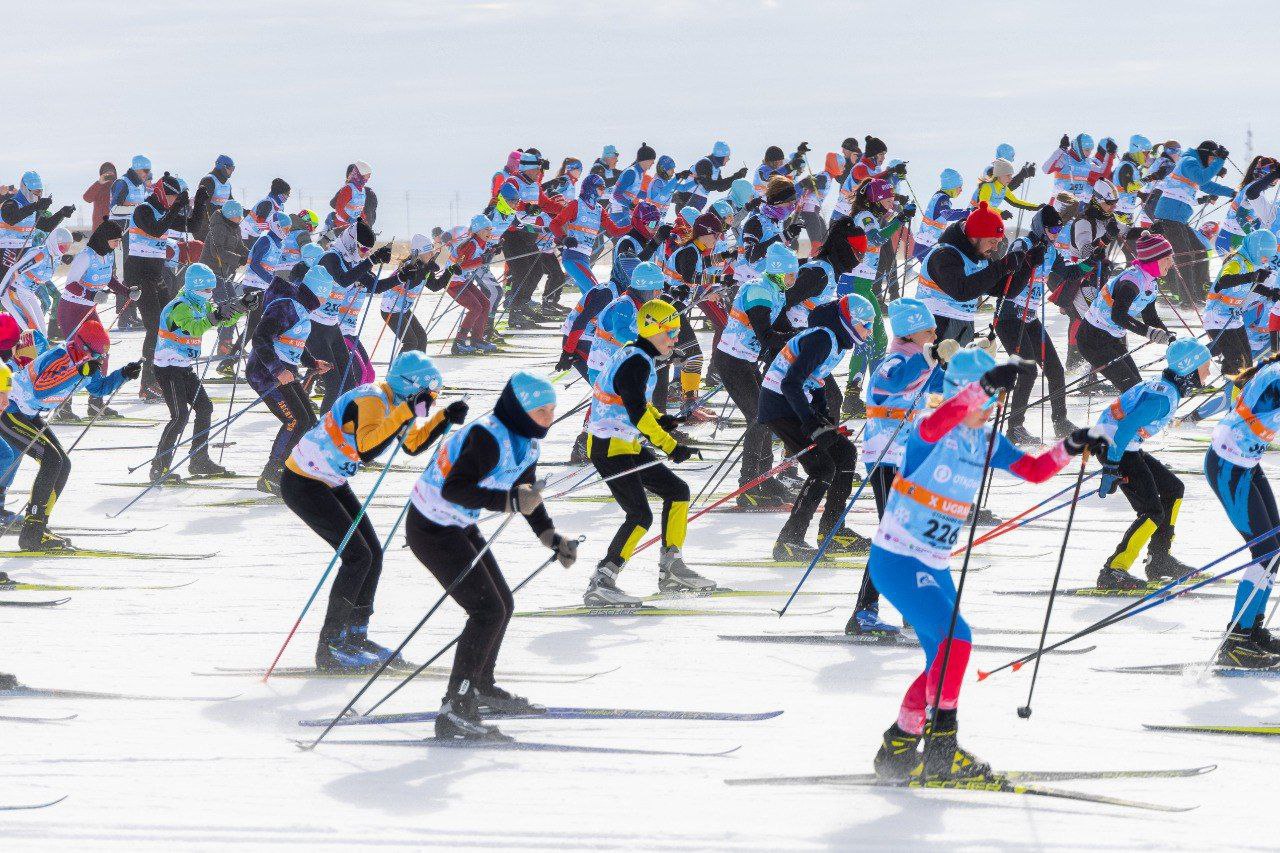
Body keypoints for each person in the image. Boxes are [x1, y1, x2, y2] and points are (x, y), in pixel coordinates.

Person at [868, 347, 1093, 782]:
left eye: (993, 403)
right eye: (985, 400)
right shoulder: (929, 430)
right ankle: (941, 748)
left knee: (943, 654)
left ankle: (898, 744)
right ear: (965, 393)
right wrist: (984, 385)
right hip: (896, 558)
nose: (989, 410)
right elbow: (939, 422)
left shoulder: (985, 439)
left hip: (932, 563)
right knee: (958, 638)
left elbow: (1034, 470)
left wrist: (1071, 446)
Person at [407, 372, 578, 739]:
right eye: (540, 410)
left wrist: (551, 538)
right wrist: (509, 502)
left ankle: (480, 686)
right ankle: (454, 706)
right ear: (518, 408)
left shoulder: (528, 442)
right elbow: (456, 489)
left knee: (502, 604)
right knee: (487, 610)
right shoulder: (486, 435)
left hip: (459, 525)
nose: (548, 418)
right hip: (431, 527)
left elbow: (526, 495)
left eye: (551, 410)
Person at [284, 351, 465, 669]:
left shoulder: (398, 404)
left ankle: (356, 635)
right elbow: (368, 449)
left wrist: (443, 419)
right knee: (358, 557)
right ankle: (329, 647)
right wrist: (407, 413)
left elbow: (412, 445)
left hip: (330, 480)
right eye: (428, 394)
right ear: (409, 385)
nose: (430, 400)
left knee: (373, 554)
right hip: (304, 482)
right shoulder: (371, 399)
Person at [581, 299, 711, 605]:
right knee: (639, 515)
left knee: (677, 492)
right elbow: (637, 413)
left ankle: (672, 567)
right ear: (653, 330)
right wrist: (670, 445)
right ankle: (603, 580)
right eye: (672, 332)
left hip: (623, 442)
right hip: (609, 446)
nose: (676, 339)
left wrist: (662, 419)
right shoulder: (636, 361)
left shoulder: (637, 354)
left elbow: (637, 403)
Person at [1, 319, 140, 550]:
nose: (98, 361)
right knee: (51, 460)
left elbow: (98, 388)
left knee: (62, 463)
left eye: (101, 357)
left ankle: (39, 527)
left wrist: (123, 374)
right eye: (97, 355)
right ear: (83, 347)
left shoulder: (85, 364)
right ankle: (31, 533)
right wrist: (78, 372)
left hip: (29, 412)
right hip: (9, 408)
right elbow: (42, 387)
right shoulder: (59, 355)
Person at [759, 293, 877, 561]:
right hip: (778, 405)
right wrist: (813, 425)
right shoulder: (823, 338)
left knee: (844, 453)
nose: (869, 332)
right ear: (849, 320)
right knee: (822, 467)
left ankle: (833, 532)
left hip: (794, 403)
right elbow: (791, 383)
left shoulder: (835, 340)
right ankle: (789, 541)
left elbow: (817, 381)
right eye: (865, 324)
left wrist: (824, 421)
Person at [1089, 338, 1210, 590]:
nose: (1208, 372)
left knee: (1173, 489)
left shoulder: (1167, 389)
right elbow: (1125, 427)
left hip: (1123, 447)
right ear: (1189, 368)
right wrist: (1111, 468)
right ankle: (1113, 571)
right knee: (1152, 511)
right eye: (1205, 366)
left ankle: (1160, 560)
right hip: (1115, 446)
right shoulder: (1162, 398)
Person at [1204, 354, 1280, 667]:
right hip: (1229, 465)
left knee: (1274, 549)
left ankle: (1253, 631)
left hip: (1244, 463)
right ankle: (1236, 642)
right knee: (1264, 551)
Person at [151, 264, 257, 482]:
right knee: (179, 417)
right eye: (205, 290)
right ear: (192, 287)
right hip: (167, 368)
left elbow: (222, 318)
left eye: (211, 290)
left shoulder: (201, 303)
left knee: (204, 407)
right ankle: (158, 467)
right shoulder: (178, 306)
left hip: (184, 367)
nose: (209, 294)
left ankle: (199, 460)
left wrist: (240, 308)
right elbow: (194, 327)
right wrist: (216, 315)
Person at [713, 242, 796, 509]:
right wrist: (797, 340)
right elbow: (767, 335)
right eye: (791, 274)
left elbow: (781, 329)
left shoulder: (776, 290)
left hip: (746, 360)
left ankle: (764, 476)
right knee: (758, 417)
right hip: (731, 360)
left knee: (768, 415)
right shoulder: (759, 289)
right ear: (777, 271)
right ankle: (747, 484)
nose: (794, 280)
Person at [247, 261, 334, 493]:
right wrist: (277, 370)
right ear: (318, 293)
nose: (327, 302)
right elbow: (260, 338)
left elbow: (293, 341)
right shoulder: (287, 306)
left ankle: (294, 469)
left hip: (284, 372)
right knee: (294, 420)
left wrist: (312, 363)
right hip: (265, 373)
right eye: (327, 296)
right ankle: (271, 474)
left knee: (309, 421)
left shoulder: (300, 308)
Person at [995, 204, 1077, 443]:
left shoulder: (1050, 251)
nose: (1056, 233)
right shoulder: (1023, 244)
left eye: (1059, 229)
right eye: (1052, 228)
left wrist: (1091, 262)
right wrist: (1029, 262)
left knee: (1055, 370)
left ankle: (1060, 422)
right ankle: (1015, 428)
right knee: (1028, 372)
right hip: (1009, 317)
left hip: (1029, 318)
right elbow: (1010, 268)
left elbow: (1067, 272)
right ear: (1041, 226)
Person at [839, 178, 912, 418]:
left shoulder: (871, 215)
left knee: (880, 340)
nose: (891, 201)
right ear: (875, 198)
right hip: (854, 286)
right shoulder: (864, 217)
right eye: (887, 197)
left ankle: (877, 392)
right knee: (867, 340)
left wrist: (897, 217)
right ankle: (852, 396)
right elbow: (877, 238)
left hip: (864, 285)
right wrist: (899, 219)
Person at [914, 201, 1033, 345]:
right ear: (976, 236)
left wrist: (1028, 264)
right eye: (992, 241)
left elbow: (1006, 290)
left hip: (963, 327)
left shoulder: (979, 257)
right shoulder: (943, 254)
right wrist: (1001, 266)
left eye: (998, 242)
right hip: (934, 327)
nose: (995, 248)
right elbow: (961, 291)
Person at [310, 221, 395, 412]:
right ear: (351, 241)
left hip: (332, 327)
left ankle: (337, 426)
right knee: (333, 384)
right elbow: (343, 279)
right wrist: (371, 261)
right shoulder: (330, 258)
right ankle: (323, 429)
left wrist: (403, 276)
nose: (365, 253)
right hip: (314, 326)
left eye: (369, 250)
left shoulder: (352, 262)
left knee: (348, 384)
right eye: (363, 248)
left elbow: (376, 287)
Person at [1077, 230, 1175, 392]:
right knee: (1132, 389)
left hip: (1111, 337)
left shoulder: (1150, 282)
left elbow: (1150, 318)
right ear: (1153, 260)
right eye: (1167, 258)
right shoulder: (1132, 281)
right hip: (1092, 338)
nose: (1171, 263)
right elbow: (1118, 316)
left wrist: (1170, 338)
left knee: (1136, 386)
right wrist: (1149, 333)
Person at [58, 219, 135, 419]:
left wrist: (127, 292)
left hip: (88, 310)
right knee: (77, 355)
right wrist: (92, 295)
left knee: (103, 351)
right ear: (104, 239)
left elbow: (109, 279)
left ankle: (95, 402)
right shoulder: (85, 256)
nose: (118, 244)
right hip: (71, 310)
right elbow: (70, 285)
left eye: (119, 240)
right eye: (115, 241)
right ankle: (63, 406)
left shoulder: (108, 256)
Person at [125, 172, 190, 401]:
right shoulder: (143, 209)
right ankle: (147, 383)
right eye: (172, 198)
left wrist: (199, 201)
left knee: (170, 324)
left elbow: (191, 225)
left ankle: (165, 375)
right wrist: (174, 209)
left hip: (155, 275)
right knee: (154, 327)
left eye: (176, 199)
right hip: (138, 276)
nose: (173, 202)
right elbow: (156, 229)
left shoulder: (166, 210)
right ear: (162, 193)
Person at [1152, 140, 1234, 306]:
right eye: (1211, 159)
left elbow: (1207, 185)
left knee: (1200, 251)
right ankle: (1187, 298)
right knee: (1185, 256)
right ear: (1205, 154)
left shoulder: (1194, 165)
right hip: (1169, 218)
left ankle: (1199, 293)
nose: (1211, 162)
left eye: (1214, 160)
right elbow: (1202, 178)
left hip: (1178, 219)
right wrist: (1220, 161)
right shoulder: (1189, 161)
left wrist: (1232, 193)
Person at [1205, 230, 1278, 379]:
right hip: (1217, 316)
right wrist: (1253, 276)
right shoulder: (1236, 261)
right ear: (1255, 250)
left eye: (1267, 258)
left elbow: (1251, 285)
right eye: (1263, 256)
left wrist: (1270, 293)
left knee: (1247, 361)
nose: (1264, 261)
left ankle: (1230, 384)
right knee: (1239, 362)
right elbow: (1224, 281)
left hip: (1233, 318)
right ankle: (1231, 388)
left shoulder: (1249, 263)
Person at [0, 172, 74, 279]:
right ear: (25, 189)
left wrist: (61, 214)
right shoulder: (11, 203)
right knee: (3, 282)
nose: (38, 196)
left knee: (16, 283)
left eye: (40, 192)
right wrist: (35, 207)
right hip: (7, 249)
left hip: (25, 250)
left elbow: (45, 226)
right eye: (35, 192)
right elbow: (11, 219)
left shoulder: (33, 207)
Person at [447, 215, 501, 355]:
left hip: (464, 280)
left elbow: (479, 259)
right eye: (486, 230)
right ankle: (458, 343)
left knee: (485, 304)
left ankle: (477, 339)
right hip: (453, 282)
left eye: (490, 229)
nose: (489, 232)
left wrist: (492, 252)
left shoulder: (481, 242)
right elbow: (462, 265)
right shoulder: (470, 244)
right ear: (477, 231)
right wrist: (482, 260)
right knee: (475, 307)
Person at [1216, 156, 1280, 254]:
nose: (1277, 181)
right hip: (1234, 239)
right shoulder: (1254, 190)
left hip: (1227, 236)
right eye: (1276, 178)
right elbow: (1241, 215)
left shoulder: (1250, 186)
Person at [913, 169, 968, 261]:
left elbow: (949, 211)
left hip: (924, 244)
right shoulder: (943, 198)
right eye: (959, 187)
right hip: (927, 245)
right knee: (935, 272)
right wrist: (968, 213)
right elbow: (948, 214)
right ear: (951, 186)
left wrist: (967, 211)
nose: (961, 190)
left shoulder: (939, 196)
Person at [683, 141, 747, 211]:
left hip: (698, 201)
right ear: (721, 156)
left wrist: (737, 176)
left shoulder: (716, 169)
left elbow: (720, 188)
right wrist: (735, 177)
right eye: (727, 156)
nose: (728, 159)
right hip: (688, 200)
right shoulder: (704, 163)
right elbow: (708, 186)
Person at [608, 143, 656, 229]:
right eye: (652, 160)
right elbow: (616, 194)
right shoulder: (631, 172)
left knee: (642, 231)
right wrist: (630, 204)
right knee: (633, 235)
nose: (653, 163)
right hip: (618, 212)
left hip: (625, 211)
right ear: (646, 160)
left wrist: (651, 196)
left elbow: (634, 193)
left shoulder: (639, 173)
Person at [191, 154, 235, 241]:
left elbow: (231, 204)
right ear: (222, 166)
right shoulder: (208, 180)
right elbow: (204, 205)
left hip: (216, 223)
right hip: (203, 225)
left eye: (233, 168)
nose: (232, 171)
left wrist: (244, 212)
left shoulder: (227, 184)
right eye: (230, 168)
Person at [328, 161, 372, 232]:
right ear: (361, 174)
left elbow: (360, 209)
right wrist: (348, 219)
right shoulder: (348, 189)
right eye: (368, 174)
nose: (369, 177)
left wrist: (364, 222)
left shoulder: (362, 190)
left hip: (352, 227)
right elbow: (339, 208)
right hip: (341, 226)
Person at [81, 162, 117, 228]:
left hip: (115, 227)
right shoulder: (98, 187)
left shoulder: (119, 186)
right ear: (101, 174)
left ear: (115, 173)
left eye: (111, 172)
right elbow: (86, 198)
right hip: (99, 229)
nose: (108, 175)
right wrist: (99, 183)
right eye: (106, 173)